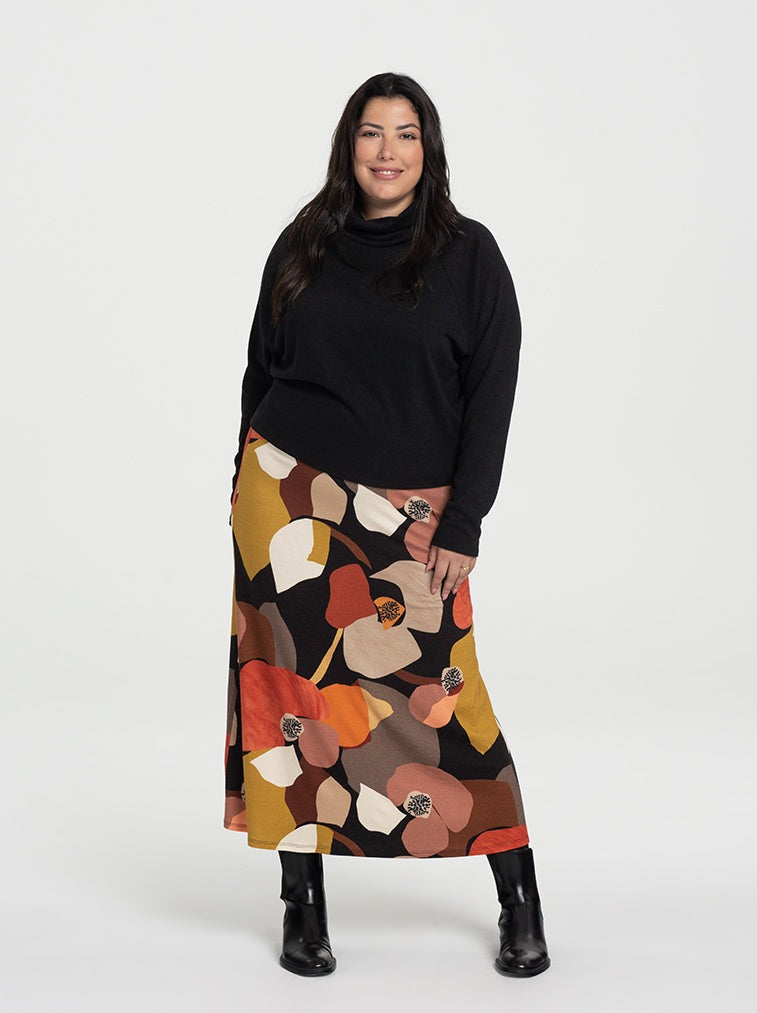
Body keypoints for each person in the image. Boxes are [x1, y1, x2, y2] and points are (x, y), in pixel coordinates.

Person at [223, 72, 550, 979]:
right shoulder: (304, 241)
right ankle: (302, 903)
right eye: (371, 132)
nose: (387, 151)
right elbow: (259, 370)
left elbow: (491, 396)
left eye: (405, 133)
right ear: (348, 145)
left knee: (452, 707)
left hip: (413, 520)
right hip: (286, 495)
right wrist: (239, 486)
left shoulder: (469, 255)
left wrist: (464, 521)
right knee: (291, 702)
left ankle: (518, 896)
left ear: (427, 149)